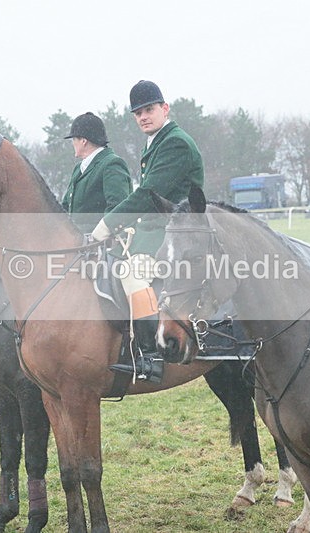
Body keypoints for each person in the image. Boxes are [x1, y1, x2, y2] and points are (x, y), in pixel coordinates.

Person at [91, 80, 204, 382]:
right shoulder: (155, 143)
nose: (143, 116)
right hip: (156, 229)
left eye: (149, 109)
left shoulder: (175, 142)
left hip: (178, 232)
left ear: (165, 108)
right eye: (137, 113)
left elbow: (148, 195)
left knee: (132, 273)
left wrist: (107, 224)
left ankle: (150, 356)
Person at [61, 112, 132, 234]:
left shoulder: (112, 164)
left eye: (74, 139)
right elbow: (66, 206)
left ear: (83, 141)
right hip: (78, 244)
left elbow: (118, 207)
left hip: (101, 245)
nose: (73, 143)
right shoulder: (79, 168)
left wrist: (101, 234)